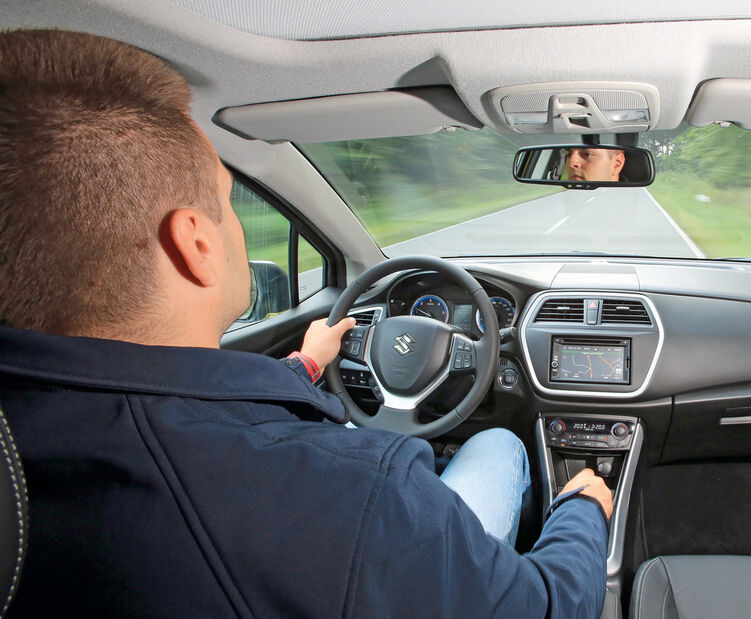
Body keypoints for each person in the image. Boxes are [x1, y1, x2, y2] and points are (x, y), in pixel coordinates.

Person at [0, 29, 612, 617]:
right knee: (501, 445)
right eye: (228, 202)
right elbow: (549, 605)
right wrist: (582, 511)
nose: (234, 225)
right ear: (196, 245)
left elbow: (181, 409)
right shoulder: (362, 501)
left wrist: (308, 365)